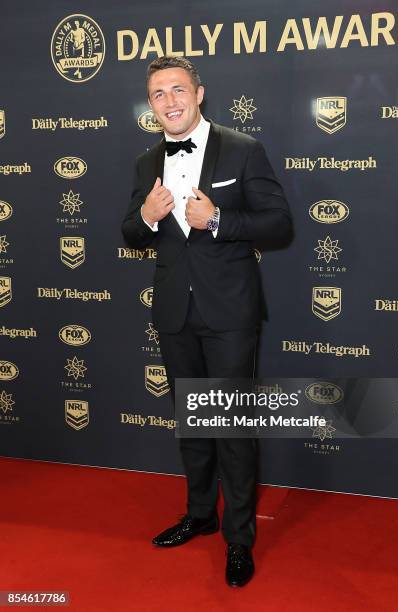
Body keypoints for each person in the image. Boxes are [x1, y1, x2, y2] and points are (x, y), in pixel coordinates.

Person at [122, 56, 292, 587]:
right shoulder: (146, 161)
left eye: (178, 90)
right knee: (192, 424)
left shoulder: (243, 149)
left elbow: (279, 222)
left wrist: (217, 219)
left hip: (230, 314)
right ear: (150, 104)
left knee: (231, 427)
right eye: (158, 94)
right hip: (174, 313)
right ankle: (200, 515)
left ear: (199, 93)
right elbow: (131, 231)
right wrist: (148, 216)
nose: (169, 101)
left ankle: (239, 539)